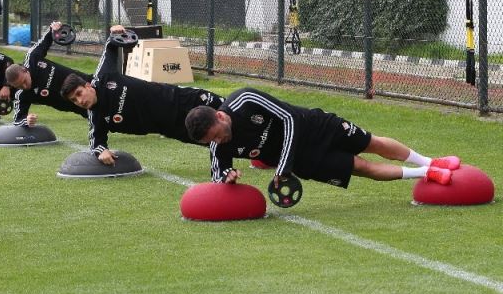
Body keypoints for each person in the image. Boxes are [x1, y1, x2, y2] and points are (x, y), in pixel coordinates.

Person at [184, 87, 461, 189]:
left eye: (217, 137)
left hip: (313, 126)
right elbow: (217, 174)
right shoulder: (216, 143)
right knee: (361, 167)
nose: (218, 143)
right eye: (212, 142)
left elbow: (289, 118)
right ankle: (427, 173)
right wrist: (227, 179)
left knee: (370, 142)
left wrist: (282, 167)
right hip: (306, 160)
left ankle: (429, 159)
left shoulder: (244, 99)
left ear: (220, 117)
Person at [60, 26, 224, 165]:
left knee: (228, 110)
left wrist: (115, 31)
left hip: (179, 98)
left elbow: (110, 45)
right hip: (171, 127)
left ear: (87, 85)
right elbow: (96, 143)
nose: (79, 100)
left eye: (79, 93)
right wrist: (101, 152)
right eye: (74, 100)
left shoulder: (104, 77)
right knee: (218, 140)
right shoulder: (96, 117)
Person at [4, 21, 91, 127]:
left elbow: (47, 38)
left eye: (24, 81)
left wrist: (54, 27)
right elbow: (17, 120)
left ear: (24, 70)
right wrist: (26, 120)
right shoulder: (22, 95)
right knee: (101, 118)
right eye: (19, 86)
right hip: (75, 105)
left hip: (84, 82)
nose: (25, 86)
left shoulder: (32, 58)